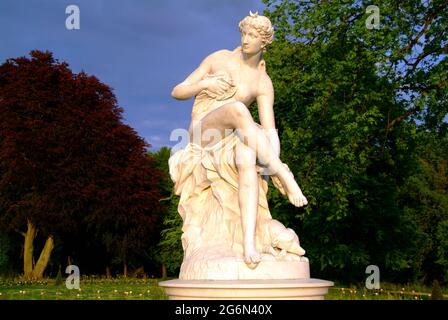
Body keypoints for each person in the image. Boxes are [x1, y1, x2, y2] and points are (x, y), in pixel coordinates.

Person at [170, 12, 308, 272]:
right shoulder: (219, 58)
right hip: (203, 132)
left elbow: (270, 131)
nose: (246, 40)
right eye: (244, 33)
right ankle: (285, 175)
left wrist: (266, 170)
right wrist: (205, 83)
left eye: (252, 36)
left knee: (246, 156)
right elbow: (177, 91)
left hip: (234, 137)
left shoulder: (262, 82)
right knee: (238, 110)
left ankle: (248, 244)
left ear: (264, 42)